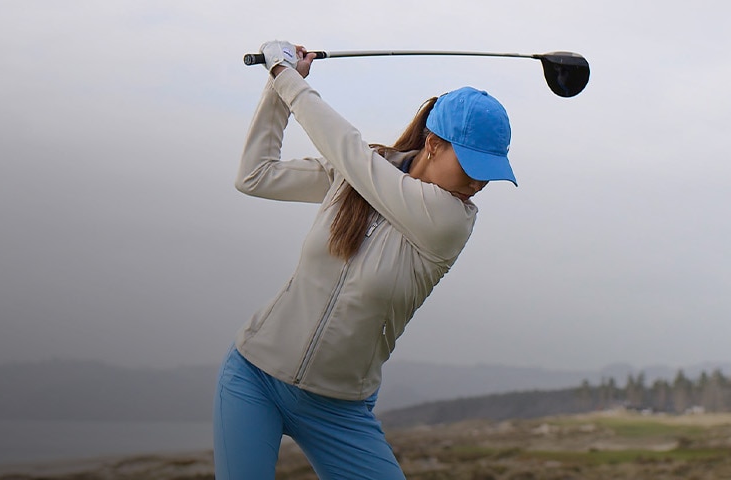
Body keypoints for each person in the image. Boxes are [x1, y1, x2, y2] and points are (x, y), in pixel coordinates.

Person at [216, 41, 516, 480]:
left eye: (489, 171)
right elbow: (255, 175)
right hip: (254, 374)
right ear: (433, 144)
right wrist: (275, 84)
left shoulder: (451, 219)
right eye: (470, 164)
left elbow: (349, 152)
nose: (478, 182)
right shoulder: (359, 172)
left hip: (339, 408)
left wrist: (289, 78)